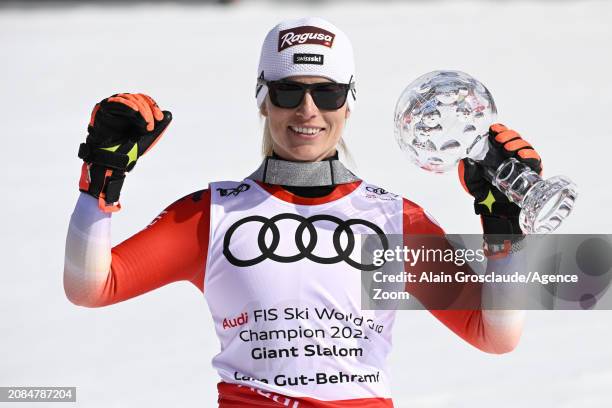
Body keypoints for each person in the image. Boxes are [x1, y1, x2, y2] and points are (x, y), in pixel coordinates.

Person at [64, 17, 542, 408]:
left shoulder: (394, 219)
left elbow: (495, 334)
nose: (308, 110)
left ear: (349, 103)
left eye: (328, 93)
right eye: (289, 92)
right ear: (263, 99)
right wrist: (101, 179)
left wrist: (503, 231)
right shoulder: (212, 214)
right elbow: (91, 287)